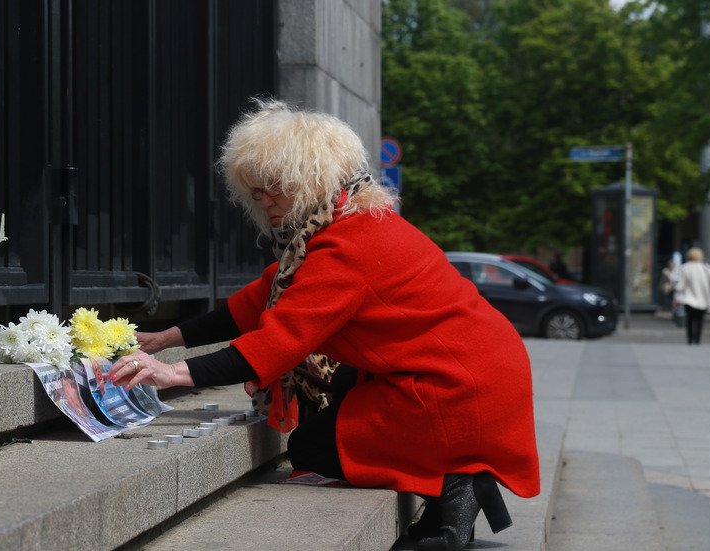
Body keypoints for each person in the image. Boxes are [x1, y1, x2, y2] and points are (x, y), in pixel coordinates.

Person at [106, 98, 540, 550]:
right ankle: (450, 495)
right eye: (255, 192)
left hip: (460, 390)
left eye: (275, 185)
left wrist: (175, 373)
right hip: (472, 375)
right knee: (346, 388)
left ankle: (458, 478)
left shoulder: (346, 247)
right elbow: (257, 301)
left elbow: (282, 339)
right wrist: (168, 338)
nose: (265, 201)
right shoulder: (347, 227)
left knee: (312, 449)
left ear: (314, 178)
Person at [674, 247, 710, 344]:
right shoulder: (706, 268)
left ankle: (690, 338)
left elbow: (680, 285)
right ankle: (697, 339)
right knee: (700, 319)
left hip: (688, 299)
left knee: (690, 318)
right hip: (703, 299)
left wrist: (675, 290)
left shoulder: (685, 268)